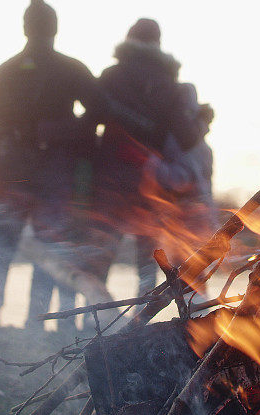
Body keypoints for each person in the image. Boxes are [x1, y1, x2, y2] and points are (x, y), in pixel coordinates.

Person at [0, 0, 153, 330]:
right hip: (46, 177)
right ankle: (32, 319)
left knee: (9, 248)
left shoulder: (2, 74)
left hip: (22, 173)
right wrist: (75, 132)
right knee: (46, 249)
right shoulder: (66, 69)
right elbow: (101, 110)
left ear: (26, 27)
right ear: (53, 28)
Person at [89, 19, 213, 296]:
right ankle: (139, 320)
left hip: (109, 180)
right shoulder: (171, 85)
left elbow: (91, 119)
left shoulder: (111, 75)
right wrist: (202, 120)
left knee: (101, 254)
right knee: (146, 260)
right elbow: (185, 137)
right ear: (158, 43)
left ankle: (89, 323)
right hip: (151, 183)